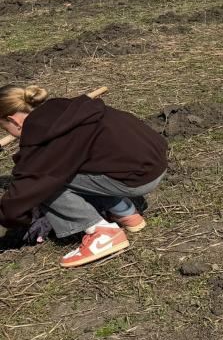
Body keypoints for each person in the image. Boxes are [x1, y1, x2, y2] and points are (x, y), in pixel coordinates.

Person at [0, 85, 168, 268]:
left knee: (46, 183)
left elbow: (28, 184)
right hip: (154, 163)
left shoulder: (42, 134)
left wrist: (12, 220)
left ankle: (101, 233)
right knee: (71, 165)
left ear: (13, 120)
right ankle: (125, 212)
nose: (9, 134)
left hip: (135, 179)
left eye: (4, 128)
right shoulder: (63, 110)